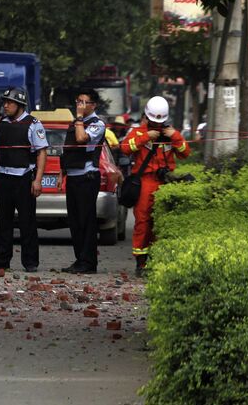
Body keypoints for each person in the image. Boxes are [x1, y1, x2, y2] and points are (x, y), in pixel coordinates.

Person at [120, 96, 190, 277]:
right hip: (145, 182)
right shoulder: (139, 132)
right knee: (142, 222)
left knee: (162, 223)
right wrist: (145, 137)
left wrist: (174, 136)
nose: (157, 124)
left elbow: (185, 153)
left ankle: (160, 259)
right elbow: (125, 148)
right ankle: (141, 263)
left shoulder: (170, 133)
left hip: (165, 182)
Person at [0, 87, 48, 273]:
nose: (5, 106)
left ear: (19, 104)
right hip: (4, 178)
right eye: (5, 102)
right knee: (4, 221)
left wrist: (38, 180)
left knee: (27, 222)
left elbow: (42, 152)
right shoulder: (2, 123)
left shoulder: (33, 124)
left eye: (9, 102)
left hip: (23, 179)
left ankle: (30, 261)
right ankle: (2, 259)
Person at [58, 89, 106, 274]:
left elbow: (81, 139)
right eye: (78, 101)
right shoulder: (76, 123)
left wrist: (78, 119)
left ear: (93, 105)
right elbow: (68, 149)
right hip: (73, 176)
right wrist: (61, 174)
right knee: (75, 221)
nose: (79, 105)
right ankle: (80, 260)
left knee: (87, 222)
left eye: (84, 102)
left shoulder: (97, 124)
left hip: (87, 178)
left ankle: (89, 263)